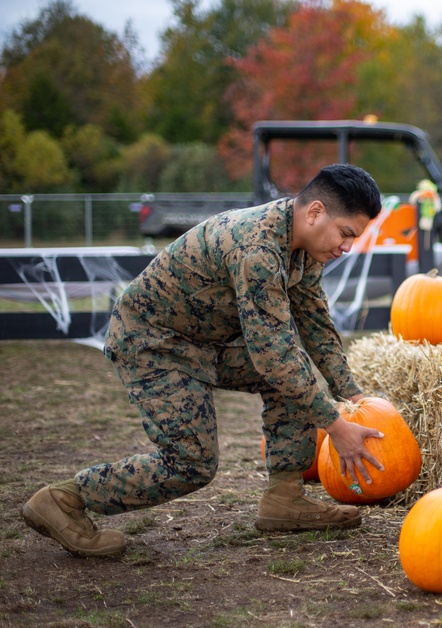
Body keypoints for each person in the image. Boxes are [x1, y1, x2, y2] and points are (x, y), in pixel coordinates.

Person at [22, 164, 387, 558]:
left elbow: (314, 323)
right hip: (153, 342)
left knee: (293, 375)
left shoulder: (304, 248)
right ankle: (65, 500)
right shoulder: (256, 249)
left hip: (207, 342)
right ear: (315, 212)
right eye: (346, 233)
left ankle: (285, 497)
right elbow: (272, 355)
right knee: (191, 462)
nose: (347, 246)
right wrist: (336, 426)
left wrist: (353, 399)